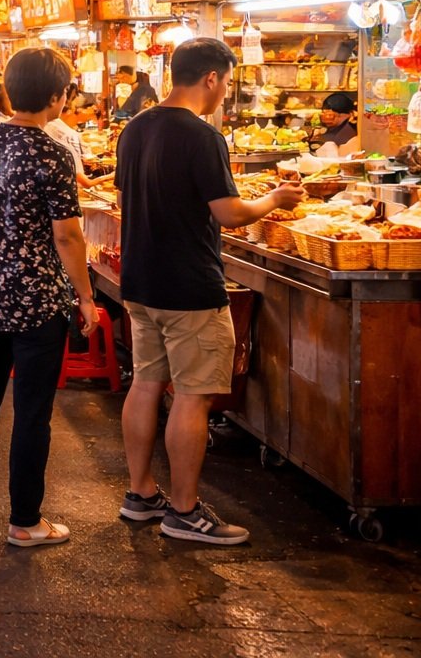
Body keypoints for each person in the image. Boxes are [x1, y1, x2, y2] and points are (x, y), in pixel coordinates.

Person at [116, 38, 306, 545]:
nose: (224, 91)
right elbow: (228, 213)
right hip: (188, 286)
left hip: (140, 280)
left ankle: (140, 494)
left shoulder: (135, 128)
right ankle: (183, 510)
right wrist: (275, 198)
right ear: (211, 79)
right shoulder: (202, 137)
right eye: (226, 81)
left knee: (145, 384)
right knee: (193, 397)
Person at [0, 49, 98, 547]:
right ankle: (25, 522)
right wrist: (85, 296)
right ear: (57, 96)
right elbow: (67, 237)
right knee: (32, 409)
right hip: (36, 298)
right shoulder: (53, 153)